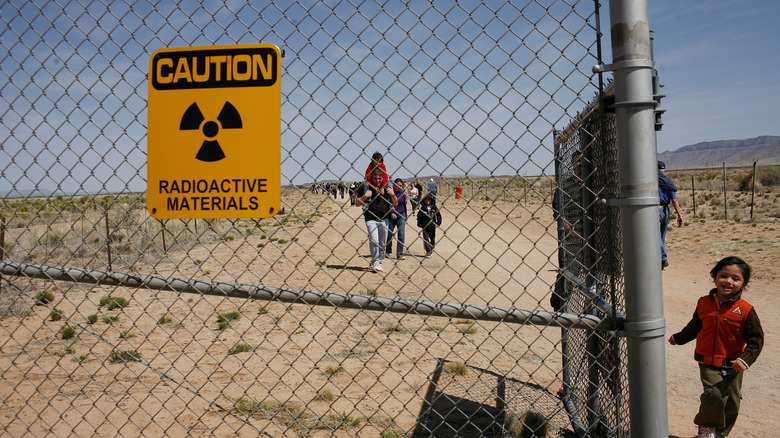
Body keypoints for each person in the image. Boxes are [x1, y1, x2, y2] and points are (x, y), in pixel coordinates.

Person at [668, 256, 764, 438]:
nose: (728, 281)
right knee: (714, 394)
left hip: (733, 364)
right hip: (708, 360)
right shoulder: (704, 303)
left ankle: (720, 433)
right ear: (715, 277)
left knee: (733, 400)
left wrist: (745, 360)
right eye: (723, 276)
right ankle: (706, 428)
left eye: (735, 279)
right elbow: (695, 326)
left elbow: (756, 339)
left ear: (744, 284)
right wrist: (678, 338)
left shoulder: (745, 310)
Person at [356, 167, 397, 272]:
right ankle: (375, 262)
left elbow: (395, 203)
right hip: (371, 218)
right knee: (374, 240)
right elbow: (357, 203)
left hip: (384, 218)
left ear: (383, 179)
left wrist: (392, 194)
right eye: (375, 178)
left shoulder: (387, 189)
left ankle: (380, 261)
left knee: (383, 242)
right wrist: (365, 196)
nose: (377, 181)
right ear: (372, 178)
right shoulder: (367, 188)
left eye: (379, 179)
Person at [658, 160, 683, 269]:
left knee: (655, 236)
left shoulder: (653, 182)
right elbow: (675, 200)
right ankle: (660, 258)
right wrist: (679, 214)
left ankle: (663, 258)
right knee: (661, 236)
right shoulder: (668, 182)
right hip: (665, 210)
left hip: (655, 209)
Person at [385, 178, 408, 259]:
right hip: (392, 216)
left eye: (400, 185)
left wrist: (406, 216)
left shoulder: (402, 193)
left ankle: (400, 254)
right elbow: (388, 204)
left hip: (401, 215)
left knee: (401, 235)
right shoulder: (390, 193)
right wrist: (392, 213)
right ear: (394, 185)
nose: (399, 187)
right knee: (389, 234)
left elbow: (404, 205)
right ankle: (387, 251)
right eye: (397, 185)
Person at [416, 193, 441, 257]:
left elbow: (438, 215)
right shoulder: (423, 208)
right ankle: (428, 251)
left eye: (429, 200)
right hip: (425, 225)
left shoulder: (434, 207)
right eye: (426, 200)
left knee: (432, 239)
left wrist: (438, 223)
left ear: (431, 201)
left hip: (432, 225)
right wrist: (419, 223)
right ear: (424, 201)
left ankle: (431, 248)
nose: (427, 201)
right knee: (426, 238)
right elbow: (418, 216)